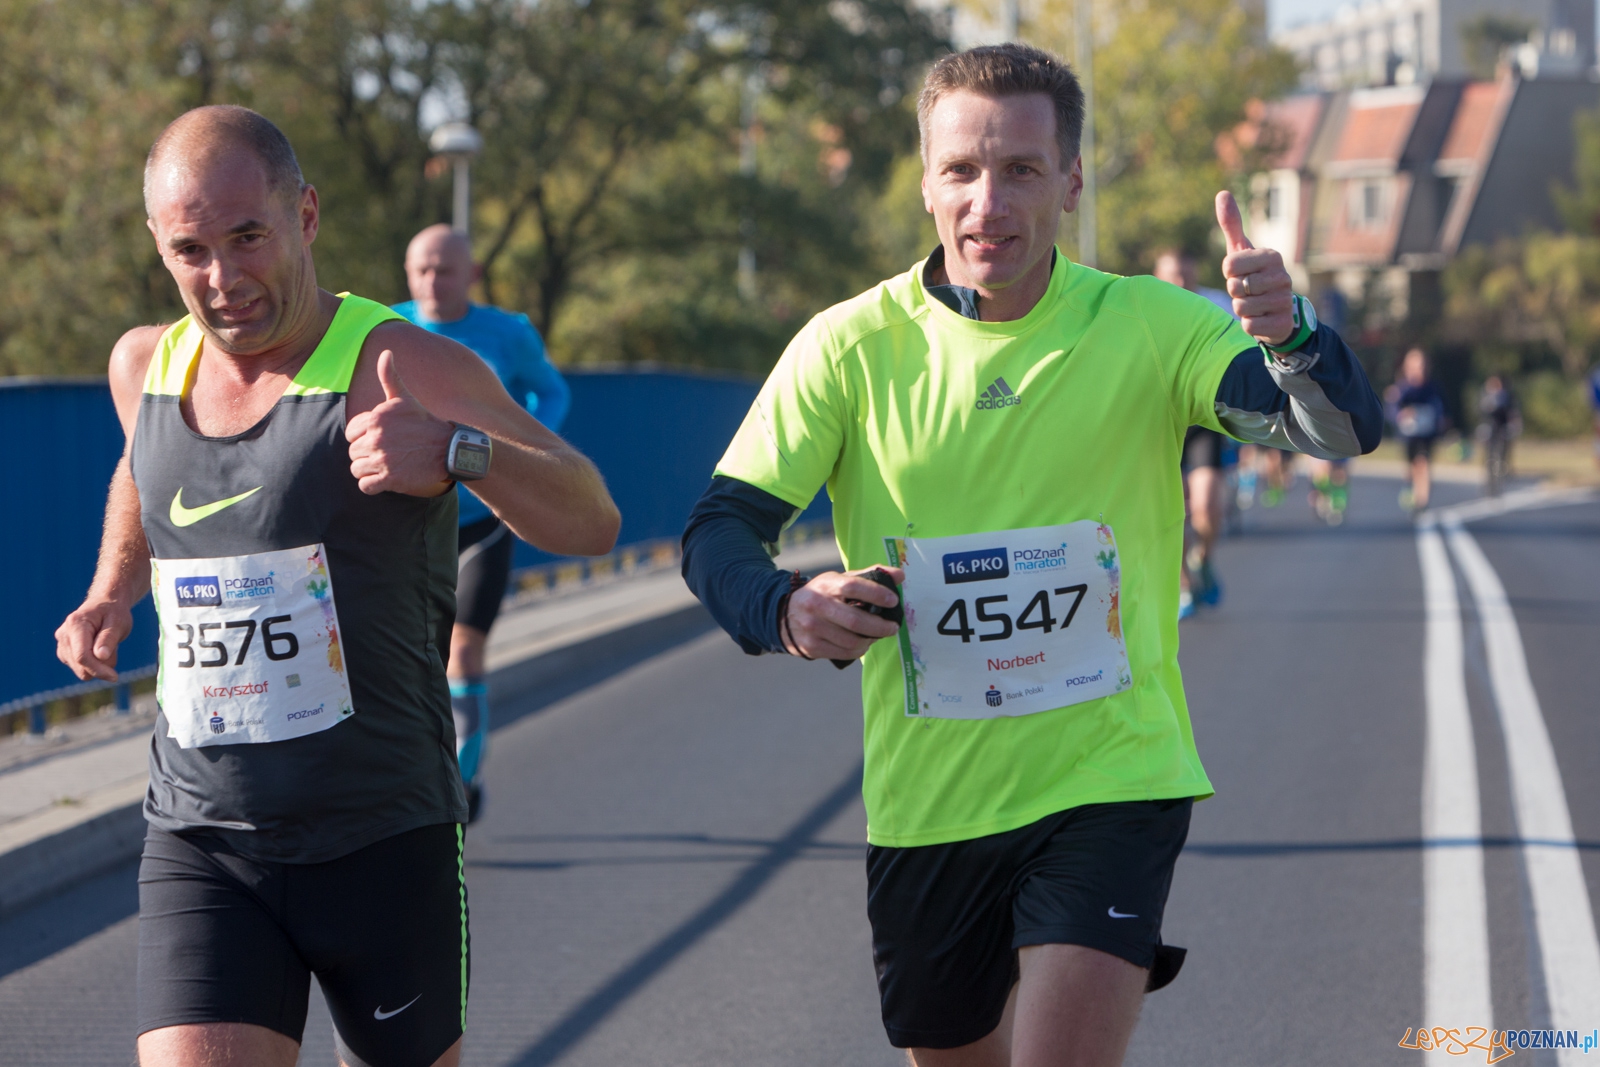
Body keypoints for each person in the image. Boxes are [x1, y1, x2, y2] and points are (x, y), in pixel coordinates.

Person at [680, 44, 1381, 1067]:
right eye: (960, 170)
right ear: (925, 185)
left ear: (1070, 182)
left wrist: (1292, 339)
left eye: (1019, 169)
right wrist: (786, 610)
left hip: (1111, 772)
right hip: (932, 803)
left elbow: (1335, 431)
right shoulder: (848, 346)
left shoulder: (1146, 323)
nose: (987, 200)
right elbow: (717, 529)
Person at [53, 106, 619, 1067]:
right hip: (204, 831)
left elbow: (592, 515)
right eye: (191, 249)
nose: (223, 280)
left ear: (305, 216)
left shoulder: (400, 363)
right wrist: (113, 585)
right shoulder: (144, 363)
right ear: (158, 242)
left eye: (248, 237)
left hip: (380, 833)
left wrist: (457, 450)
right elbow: (138, 467)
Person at [394, 224, 572, 823]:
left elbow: (552, 395)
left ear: (470, 274)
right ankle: (412, 776)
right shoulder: (381, 329)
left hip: (482, 518)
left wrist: (520, 452)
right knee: (405, 660)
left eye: (445, 270)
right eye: (421, 270)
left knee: (463, 652)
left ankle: (457, 787)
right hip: (409, 521)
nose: (432, 282)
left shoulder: (507, 332)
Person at [1154, 250, 1235, 617]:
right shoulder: (1142, 311)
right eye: (1173, 276)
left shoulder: (1215, 305)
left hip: (1203, 419)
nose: (1181, 284)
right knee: (1171, 510)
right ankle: (1184, 584)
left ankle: (1203, 557)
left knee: (1206, 507)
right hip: (1157, 420)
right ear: (1157, 277)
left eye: (1186, 276)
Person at [1388, 347, 1446, 513]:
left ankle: (1422, 500)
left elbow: (1440, 406)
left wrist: (1441, 420)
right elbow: (1391, 408)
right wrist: (1401, 415)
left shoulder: (1433, 387)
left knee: (1424, 463)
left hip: (1426, 434)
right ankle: (1411, 489)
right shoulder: (1401, 388)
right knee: (1411, 467)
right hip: (1408, 436)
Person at [1476, 374, 1518, 497]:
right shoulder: (1485, 397)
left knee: (1502, 454)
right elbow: (1481, 412)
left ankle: (1502, 473)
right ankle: (1489, 483)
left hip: (1501, 430)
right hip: (1489, 431)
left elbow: (1511, 412)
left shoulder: (1506, 397)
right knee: (1489, 457)